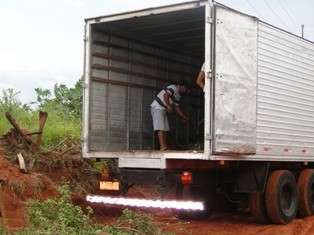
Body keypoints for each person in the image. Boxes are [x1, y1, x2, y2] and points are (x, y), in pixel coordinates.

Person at [150, 81, 189, 150]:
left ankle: (164, 146)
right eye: (185, 89)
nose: (185, 91)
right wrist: (168, 106)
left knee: (165, 129)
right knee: (161, 128)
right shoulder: (173, 87)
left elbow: (176, 107)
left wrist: (183, 116)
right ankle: (163, 147)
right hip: (157, 107)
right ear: (181, 86)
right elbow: (166, 95)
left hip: (163, 109)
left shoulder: (178, 96)